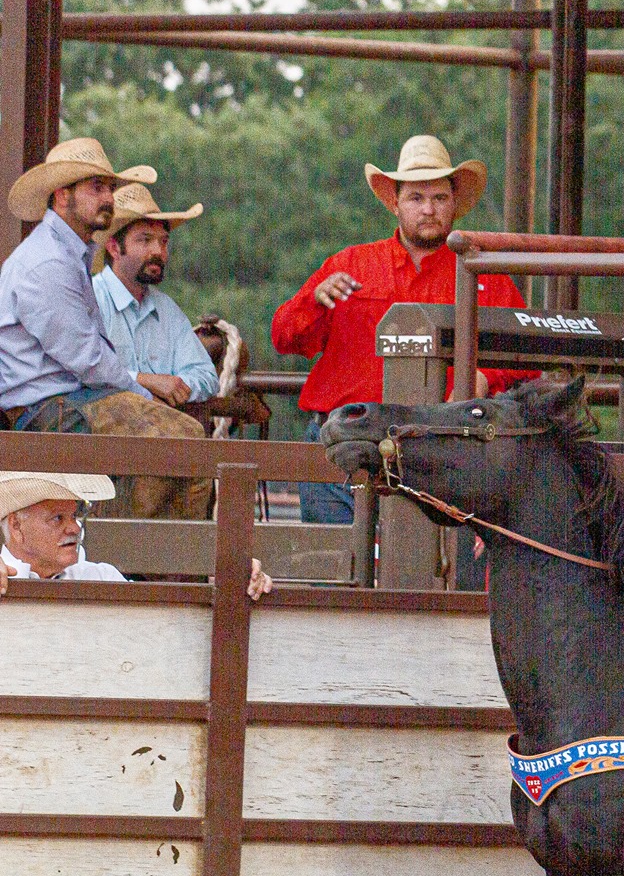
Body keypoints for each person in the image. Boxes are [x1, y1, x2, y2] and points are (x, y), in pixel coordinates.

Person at [270, 135, 527, 524]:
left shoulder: (487, 277)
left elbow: (527, 358)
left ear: (454, 203)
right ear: (395, 203)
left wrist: (485, 377)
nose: (428, 209)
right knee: (335, 560)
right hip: (342, 446)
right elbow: (283, 338)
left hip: (439, 460)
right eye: (416, 198)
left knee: (432, 564)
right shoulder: (348, 265)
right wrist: (313, 300)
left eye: (439, 198)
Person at [0, 139, 161, 432]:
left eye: (110, 188)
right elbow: (88, 359)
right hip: (44, 414)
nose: (109, 198)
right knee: (179, 435)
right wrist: (146, 398)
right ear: (63, 196)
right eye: (97, 188)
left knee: (177, 433)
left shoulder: (64, 253)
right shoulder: (48, 262)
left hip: (64, 405)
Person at [90, 183, 218, 519]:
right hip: (96, 437)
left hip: (154, 438)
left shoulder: (167, 309)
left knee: (178, 440)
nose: (158, 251)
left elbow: (206, 375)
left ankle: (177, 548)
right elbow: (81, 370)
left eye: (163, 242)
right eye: (144, 240)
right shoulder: (91, 298)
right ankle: (150, 543)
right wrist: (148, 382)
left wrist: (175, 387)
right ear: (114, 247)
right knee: (182, 437)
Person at [0, 470, 272, 595]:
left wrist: (236, 582)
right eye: (57, 518)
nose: (74, 527)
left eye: (73, 516)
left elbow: (162, 622)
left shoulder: (100, 577)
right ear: (16, 526)